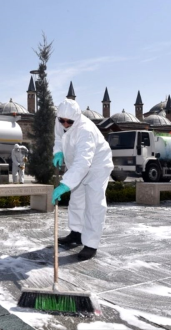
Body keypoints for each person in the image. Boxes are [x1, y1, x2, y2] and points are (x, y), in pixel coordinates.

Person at [51, 99, 114, 261]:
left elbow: (84, 162)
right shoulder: (60, 121)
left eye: (69, 121)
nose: (65, 124)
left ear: (76, 118)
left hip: (97, 166)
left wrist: (65, 184)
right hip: (77, 166)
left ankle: (91, 244)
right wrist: (58, 151)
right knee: (77, 199)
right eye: (61, 120)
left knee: (94, 204)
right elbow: (58, 137)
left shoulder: (85, 130)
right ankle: (76, 233)